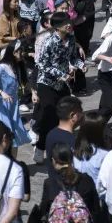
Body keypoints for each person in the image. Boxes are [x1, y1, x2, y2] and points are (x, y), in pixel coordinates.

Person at [34, 13, 83, 161]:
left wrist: (80, 65)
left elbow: (73, 57)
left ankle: (59, 147)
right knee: (49, 116)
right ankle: (40, 147)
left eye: (69, 22)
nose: (69, 25)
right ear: (57, 26)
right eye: (65, 23)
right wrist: (60, 74)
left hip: (62, 84)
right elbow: (41, 64)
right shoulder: (49, 41)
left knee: (64, 115)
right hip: (47, 83)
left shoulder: (71, 39)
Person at [0, 40, 33, 148]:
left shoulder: (17, 67)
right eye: (18, 50)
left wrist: (34, 93)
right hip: (1, 107)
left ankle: (13, 162)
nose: (21, 53)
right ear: (12, 52)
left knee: (15, 138)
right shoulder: (1, 67)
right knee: (5, 137)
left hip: (13, 106)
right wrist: (1, 93)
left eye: (21, 50)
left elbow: (26, 83)